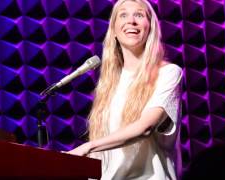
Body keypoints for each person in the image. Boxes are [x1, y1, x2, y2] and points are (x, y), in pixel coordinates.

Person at [67, 0, 183, 179]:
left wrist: (87, 147)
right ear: (113, 30)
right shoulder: (108, 84)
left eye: (139, 15)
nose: (131, 21)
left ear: (150, 27)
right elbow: (106, 157)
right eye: (123, 15)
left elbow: (145, 127)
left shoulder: (168, 73)